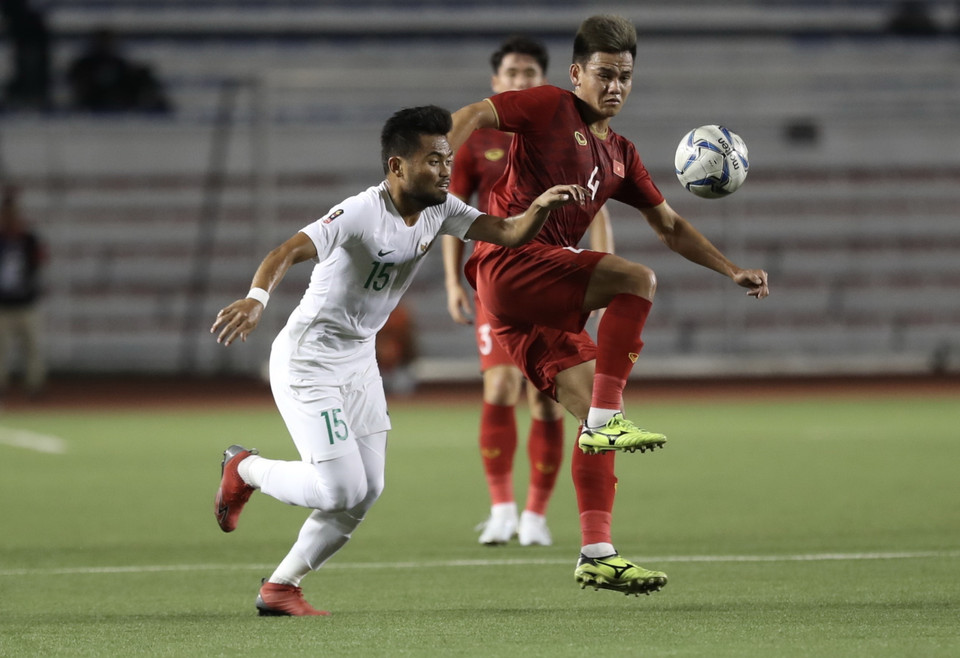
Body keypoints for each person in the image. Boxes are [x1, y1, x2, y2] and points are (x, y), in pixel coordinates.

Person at [210, 104, 587, 616]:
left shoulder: (440, 208)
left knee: (368, 490)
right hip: (309, 360)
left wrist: (540, 207)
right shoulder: (359, 212)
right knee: (341, 488)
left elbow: (509, 232)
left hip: (359, 360)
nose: (446, 170)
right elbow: (285, 251)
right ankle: (245, 468)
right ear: (397, 166)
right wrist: (257, 299)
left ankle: (281, 586)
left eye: (448, 159)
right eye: (433, 160)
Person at [448, 15, 769, 596]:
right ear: (577, 73)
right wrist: (437, 158)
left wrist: (730, 269)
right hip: (510, 260)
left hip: (529, 304)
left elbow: (669, 226)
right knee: (636, 281)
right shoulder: (548, 106)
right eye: (604, 74)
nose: (615, 86)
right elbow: (475, 113)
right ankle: (600, 422)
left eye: (624, 76)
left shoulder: (620, 155)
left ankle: (597, 553)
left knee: (589, 418)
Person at [443, 36, 614, 547]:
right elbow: (453, 210)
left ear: (546, 80)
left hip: (554, 275)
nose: (520, 81)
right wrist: (452, 281)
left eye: (529, 74)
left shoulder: (566, 133)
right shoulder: (477, 140)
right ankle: (501, 508)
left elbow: (598, 211)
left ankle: (535, 515)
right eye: (512, 73)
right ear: (496, 81)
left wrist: (602, 276)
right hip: (498, 277)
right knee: (499, 387)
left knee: (546, 401)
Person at [0, 185, 46, 395]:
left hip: (26, 303)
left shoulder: (28, 239)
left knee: (33, 347)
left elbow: (40, 261)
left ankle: (34, 385)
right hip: (3, 305)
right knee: (1, 350)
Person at [66, 28, 171, 113]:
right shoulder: (85, 63)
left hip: (120, 97)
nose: (106, 44)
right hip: (94, 98)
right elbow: (74, 80)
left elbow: (128, 79)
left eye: (108, 41)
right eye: (103, 41)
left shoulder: (118, 62)